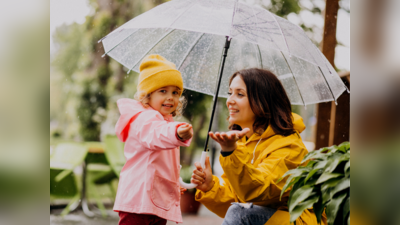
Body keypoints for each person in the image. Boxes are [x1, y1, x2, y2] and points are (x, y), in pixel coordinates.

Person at [191, 68, 327, 225]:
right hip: (269, 219)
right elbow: (239, 199)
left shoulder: (289, 146)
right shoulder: (243, 144)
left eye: (240, 94)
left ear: (263, 101)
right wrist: (210, 187)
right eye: (230, 93)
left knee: (241, 215)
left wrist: (229, 153)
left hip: (300, 220)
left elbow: (259, 192)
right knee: (239, 212)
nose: (230, 100)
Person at [114, 54, 193, 225]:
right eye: (163, 91)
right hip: (138, 201)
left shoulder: (164, 122)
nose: (170, 97)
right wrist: (177, 132)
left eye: (175, 92)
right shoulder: (145, 118)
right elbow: (156, 135)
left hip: (152, 201)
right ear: (147, 95)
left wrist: (172, 184)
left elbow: (163, 163)